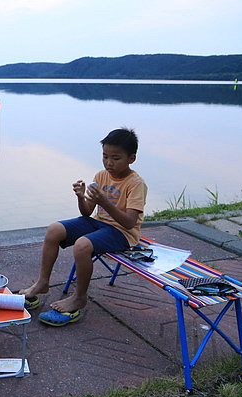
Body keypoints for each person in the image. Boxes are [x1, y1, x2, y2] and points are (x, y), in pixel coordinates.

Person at [18, 128, 147, 327]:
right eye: (105, 156)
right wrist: (81, 196)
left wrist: (104, 202)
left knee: (82, 245)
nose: (109, 163)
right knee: (54, 229)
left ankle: (79, 297)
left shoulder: (136, 184)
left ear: (131, 158)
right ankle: (42, 283)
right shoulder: (101, 176)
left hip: (122, 233)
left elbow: (129, 222)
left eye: (116, 158)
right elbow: (87, 212)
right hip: (98, 223)